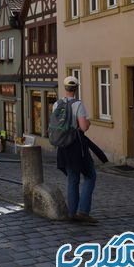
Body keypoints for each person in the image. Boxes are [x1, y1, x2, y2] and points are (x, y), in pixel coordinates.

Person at [54, 76, 96, 224]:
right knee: (90, 176)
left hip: (63, 146)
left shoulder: (57, 104)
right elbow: (83, 127)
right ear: (76, 88)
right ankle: (83, 211)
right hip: (77, 146)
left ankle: (72, 213)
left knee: (72, 179)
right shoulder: (78, 105)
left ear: (65, 88)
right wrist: (88, 122)